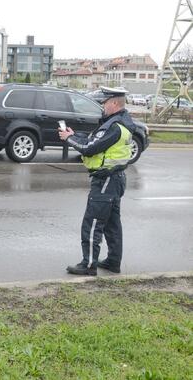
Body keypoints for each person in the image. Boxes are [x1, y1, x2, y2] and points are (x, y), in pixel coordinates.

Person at [58, 86, 135, 276]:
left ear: (115, 103)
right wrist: (74, 134)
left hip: (106, 180)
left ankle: (88, 265)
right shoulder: (120, 123)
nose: (103, 106)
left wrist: (69, 139)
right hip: (115, 179)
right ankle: (113, 261)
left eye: (106, 102)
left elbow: (89, 148)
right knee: (112, 224)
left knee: (92, 223)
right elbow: (94, 139)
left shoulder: (114, 127)